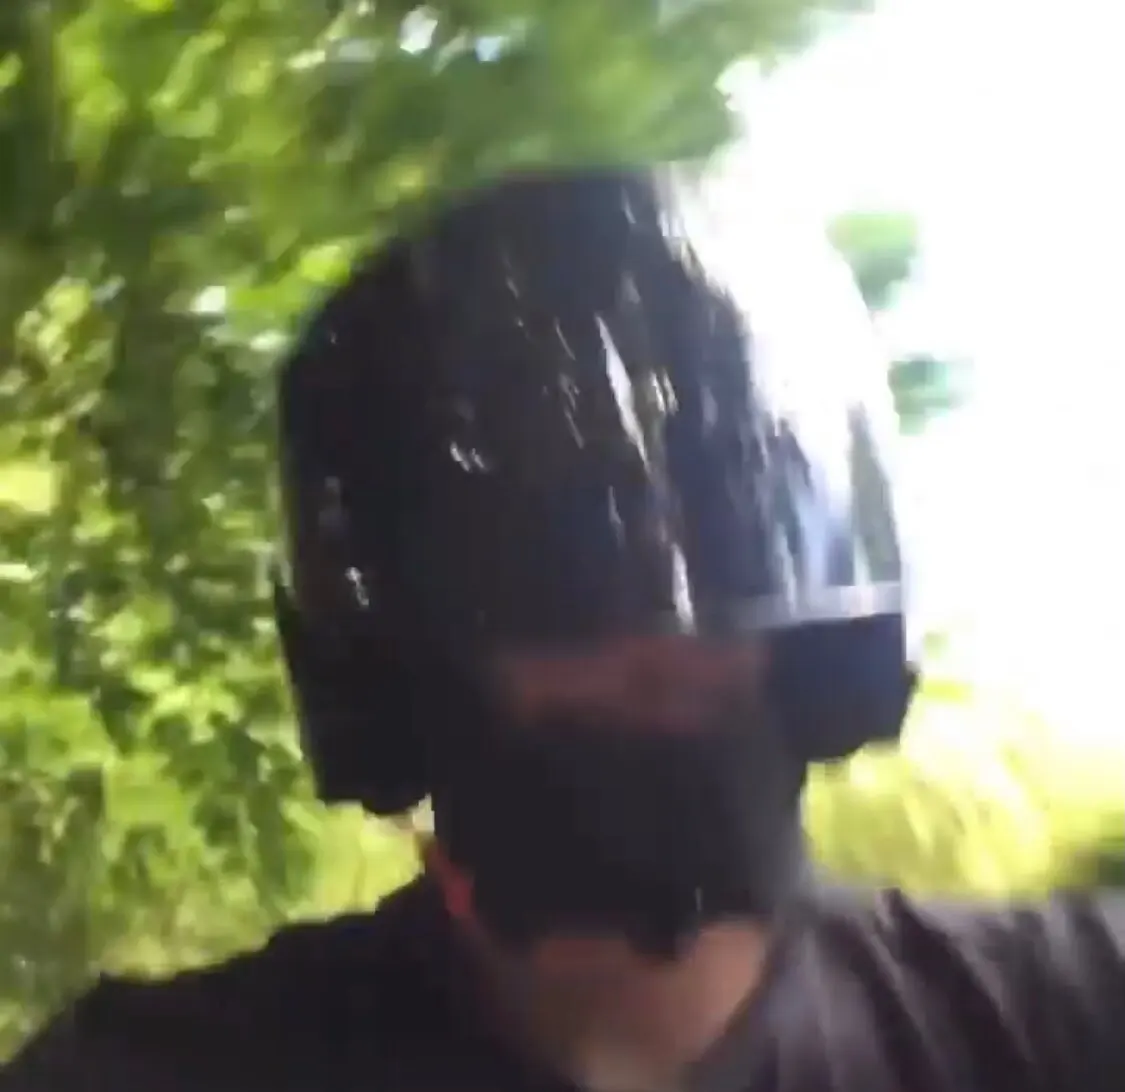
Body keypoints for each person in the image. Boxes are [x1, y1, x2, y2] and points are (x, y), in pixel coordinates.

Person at [3, 164, 1122, 1092]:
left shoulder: (1059, 1018)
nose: (658, 639)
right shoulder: (158, 1072)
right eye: (554, 557)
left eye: (727, 539)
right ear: (407, 653)